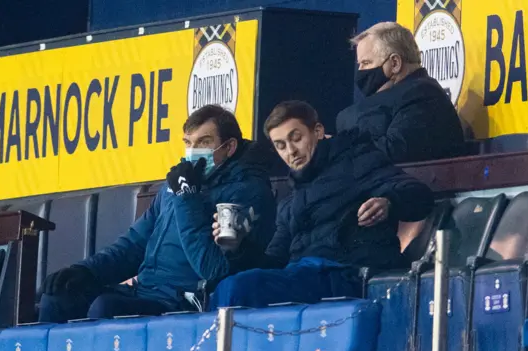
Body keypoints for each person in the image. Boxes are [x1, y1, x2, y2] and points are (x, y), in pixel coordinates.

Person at [38, 105, 276, 322]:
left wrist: (187, 196)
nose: (193, 151)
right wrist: (85, 271)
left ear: (229, 147)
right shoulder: (177, 186)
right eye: (188, 143)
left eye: (203, 142)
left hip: (184, 301)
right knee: (58, 297)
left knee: (106, 308)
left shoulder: (248, 191)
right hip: (145, 291)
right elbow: (134, 244)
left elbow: (213, 270)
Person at [210, 100, 434, 309]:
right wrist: (239, 246)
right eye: (280, 145)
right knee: (224, 289)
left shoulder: (357, 160)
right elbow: (274, 261)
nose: (291, 151)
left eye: (296, 138)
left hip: (347, 274)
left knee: (238, 289)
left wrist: (389, 202)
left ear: (317, 132)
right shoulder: (291, 201)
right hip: (305, 276)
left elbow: (420, 196)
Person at [336, 22, 465, 163]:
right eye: (359, 64)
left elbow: (394, 150)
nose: (361, 71)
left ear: (395, 63)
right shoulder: (402, 96)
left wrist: (340, 149)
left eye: (366, 63)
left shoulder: (423, 96)